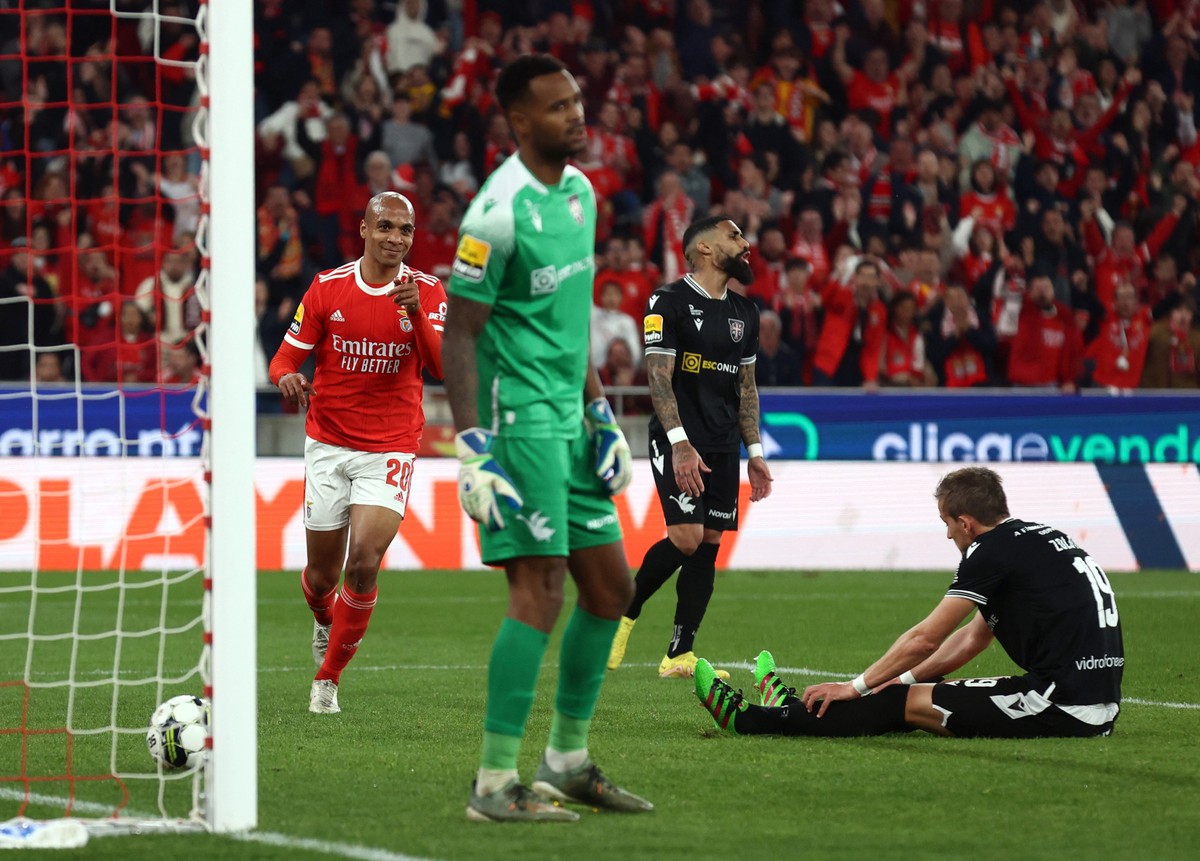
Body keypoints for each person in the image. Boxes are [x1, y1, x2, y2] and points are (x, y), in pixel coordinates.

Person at [440, 54, 652, 824]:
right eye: (559, 106)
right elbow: (458, 333)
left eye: (578, 101)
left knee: (611, 589)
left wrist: (600, 412)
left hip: (570, 418)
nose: (577, 114)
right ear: (520, 121)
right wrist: (472, 445)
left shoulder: (581, 193)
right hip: (519, 421)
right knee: (539, 591)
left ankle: (565, 760)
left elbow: (569, 319)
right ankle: (494, 781)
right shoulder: (495, 214)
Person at [692, 466, 1123, 740]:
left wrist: (856, 687)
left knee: (897, 705)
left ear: (966, 523)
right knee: (901, 693)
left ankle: (751, 719)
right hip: (1092, 700)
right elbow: (972, 639)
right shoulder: (1040, 537)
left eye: (947, 524)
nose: (947, 534)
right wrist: (896, 680)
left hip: (1061, 707)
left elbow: (925, 639)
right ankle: (790, 707)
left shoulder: (988, 551)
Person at [267, 191, 446, 715]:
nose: (395, 238)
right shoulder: (328, 287)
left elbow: (442, 369)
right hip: (328, 443)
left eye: (405, 230)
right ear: (364, 230)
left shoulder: (427, 291)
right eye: (385, 226)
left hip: (390, 446)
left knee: (363, 562)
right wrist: (287, 378)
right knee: (321, 577)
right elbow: (283, 359)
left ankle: (327, 681)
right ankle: (324, 618)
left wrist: (416, 315)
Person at [607, 214, 773, 680]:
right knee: (686, 537)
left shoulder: (746, 312)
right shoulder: (668, 301)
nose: (745, 243)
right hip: (678, 437)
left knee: (709, 542)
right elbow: (658, 379)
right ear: (704, 248)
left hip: (723, 443)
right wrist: (680, 444)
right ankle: (623, 613)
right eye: (734, 236)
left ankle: (679, 653)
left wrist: (755, 453)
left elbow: (746, 388)